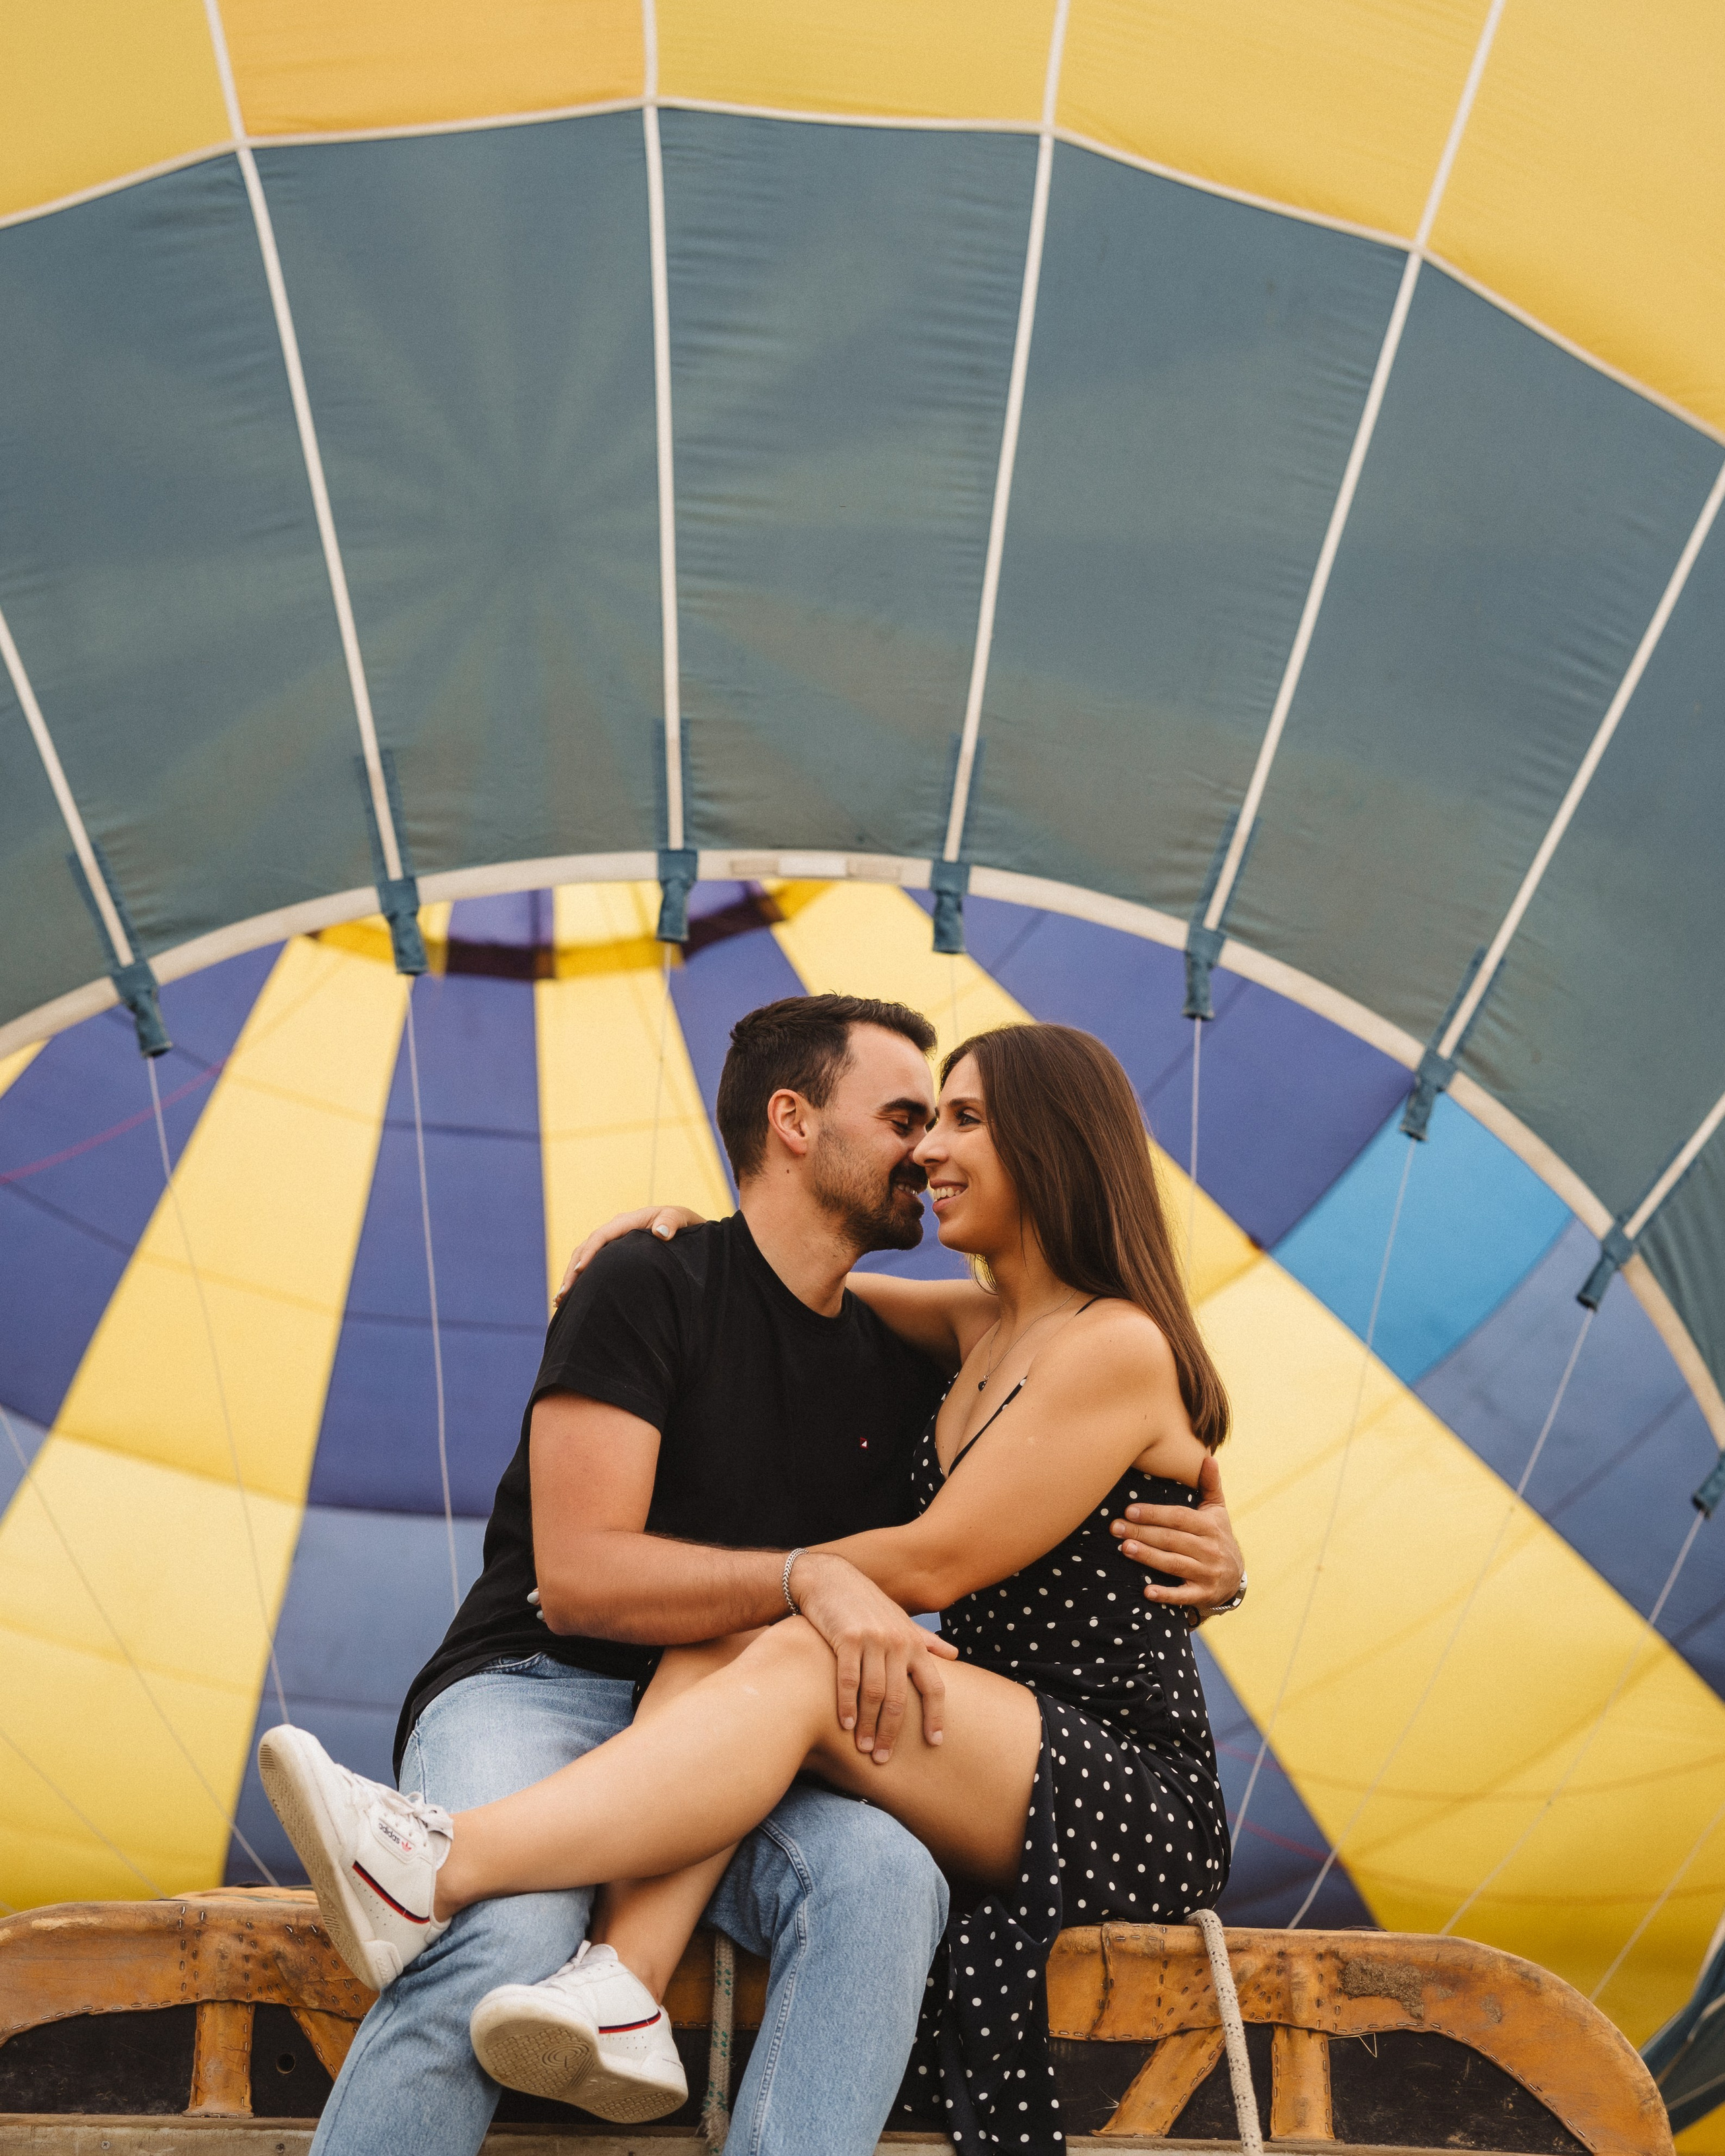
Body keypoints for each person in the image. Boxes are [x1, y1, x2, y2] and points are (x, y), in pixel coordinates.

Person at [264, 1017, 1241, 2155]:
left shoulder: (1056, 1347)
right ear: (792, 1122)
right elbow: (597, 1553)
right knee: (513, 1924)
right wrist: (675, 1240)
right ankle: (582, 1955)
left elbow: (977, 1538)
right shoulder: (933, 1326)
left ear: (1054, 1143)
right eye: (911, 1118)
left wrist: (1226, 1558)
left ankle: (445, 1858)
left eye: (956, 1120)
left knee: (878, 1867)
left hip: (1063, 1758)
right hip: (562, 1683)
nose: (928, 1149)